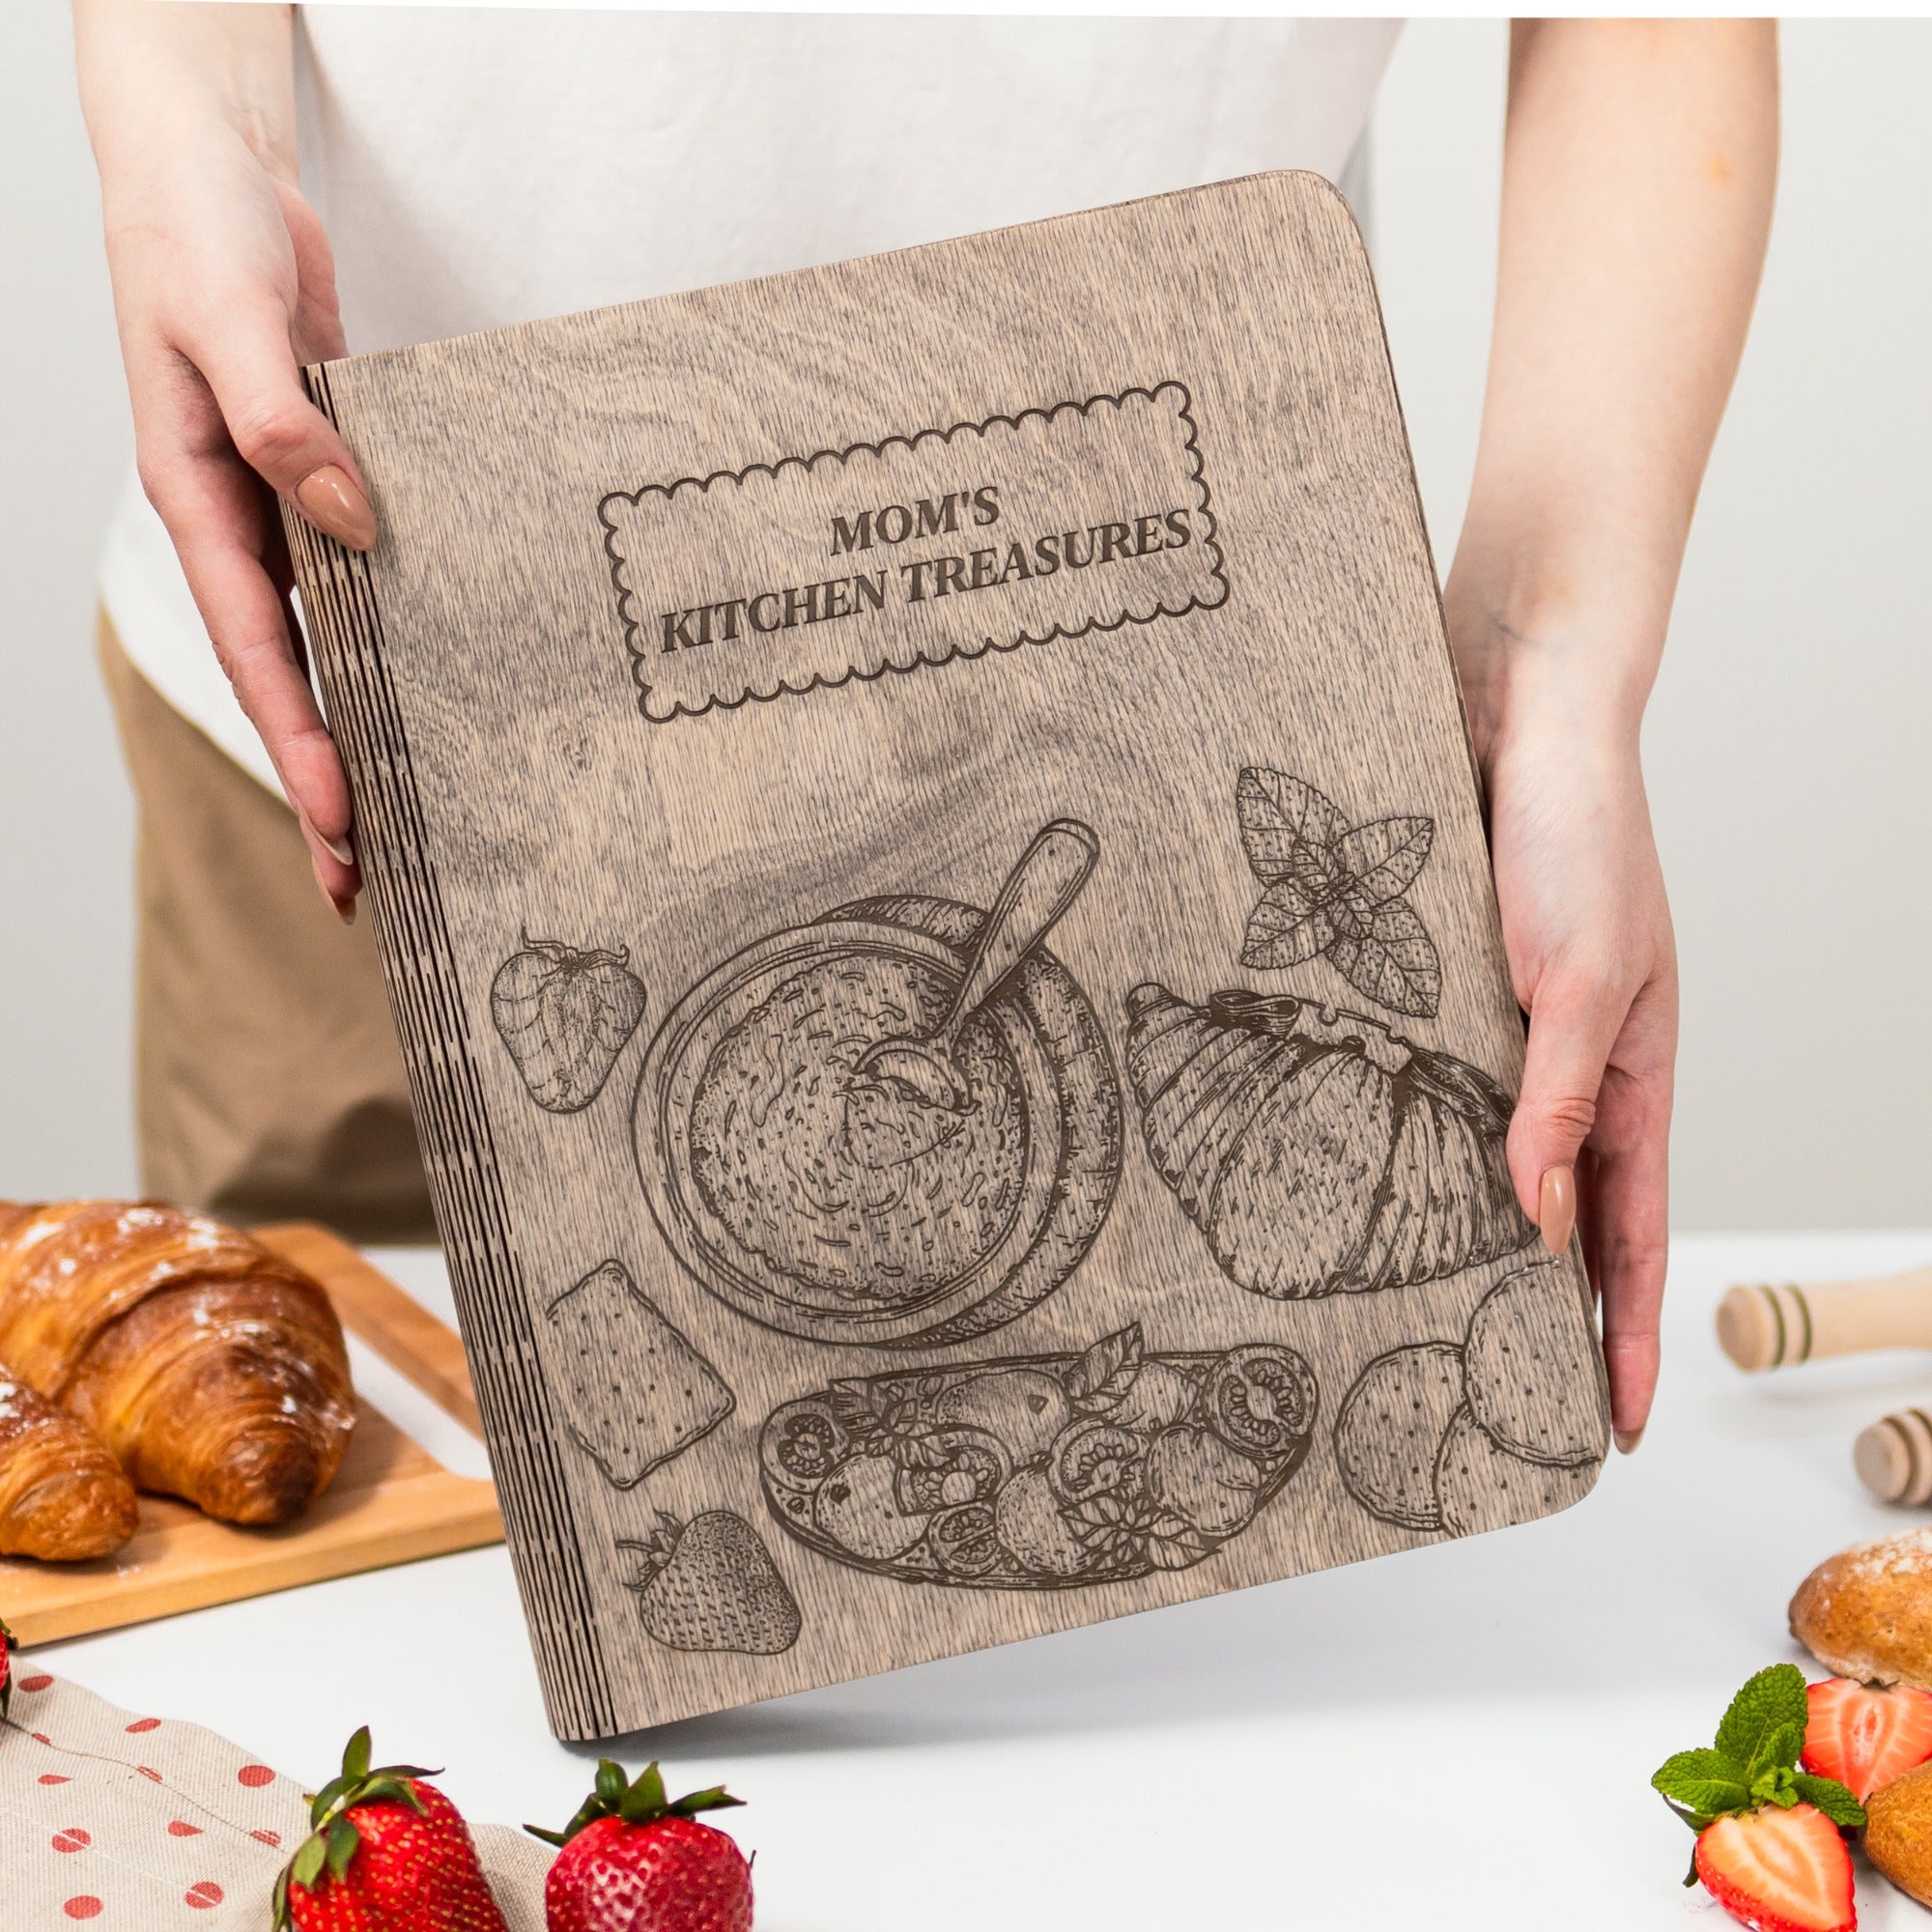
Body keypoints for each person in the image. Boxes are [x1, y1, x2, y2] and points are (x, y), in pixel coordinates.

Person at [71, 7, 1779, 1456]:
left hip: (1149, 709)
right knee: (337, 1588)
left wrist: (1542, 660)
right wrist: (179, 113)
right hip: (403, 690)